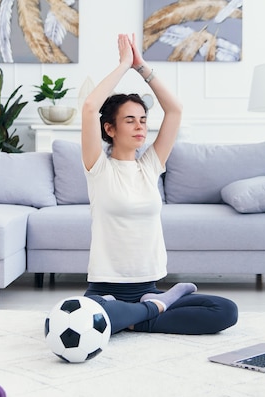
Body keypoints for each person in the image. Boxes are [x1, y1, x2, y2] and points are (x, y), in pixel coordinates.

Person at [80, 33, 238, 335]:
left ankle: (137, 315)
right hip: (106, 289)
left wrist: (141, 67)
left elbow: (175, 109)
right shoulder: (98, 168)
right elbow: (90, 107)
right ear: (109, 128)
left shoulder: (149, 166)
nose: (140, 126)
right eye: (130, 120)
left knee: (225, 311)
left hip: (149, 286)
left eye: (143, 119)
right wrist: (124, 64)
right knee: (89, 316)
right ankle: (153, 311)